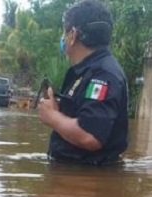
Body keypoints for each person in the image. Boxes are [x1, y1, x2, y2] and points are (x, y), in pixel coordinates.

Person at [38, 0, 129, 166]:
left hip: (88, 180)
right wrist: (60, 109)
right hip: (70, 175)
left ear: (72, 35)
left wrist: (52, 117)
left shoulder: (102, 74)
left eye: (64, 33)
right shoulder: (84, 71)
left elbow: (90, 136)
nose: (63, 38)